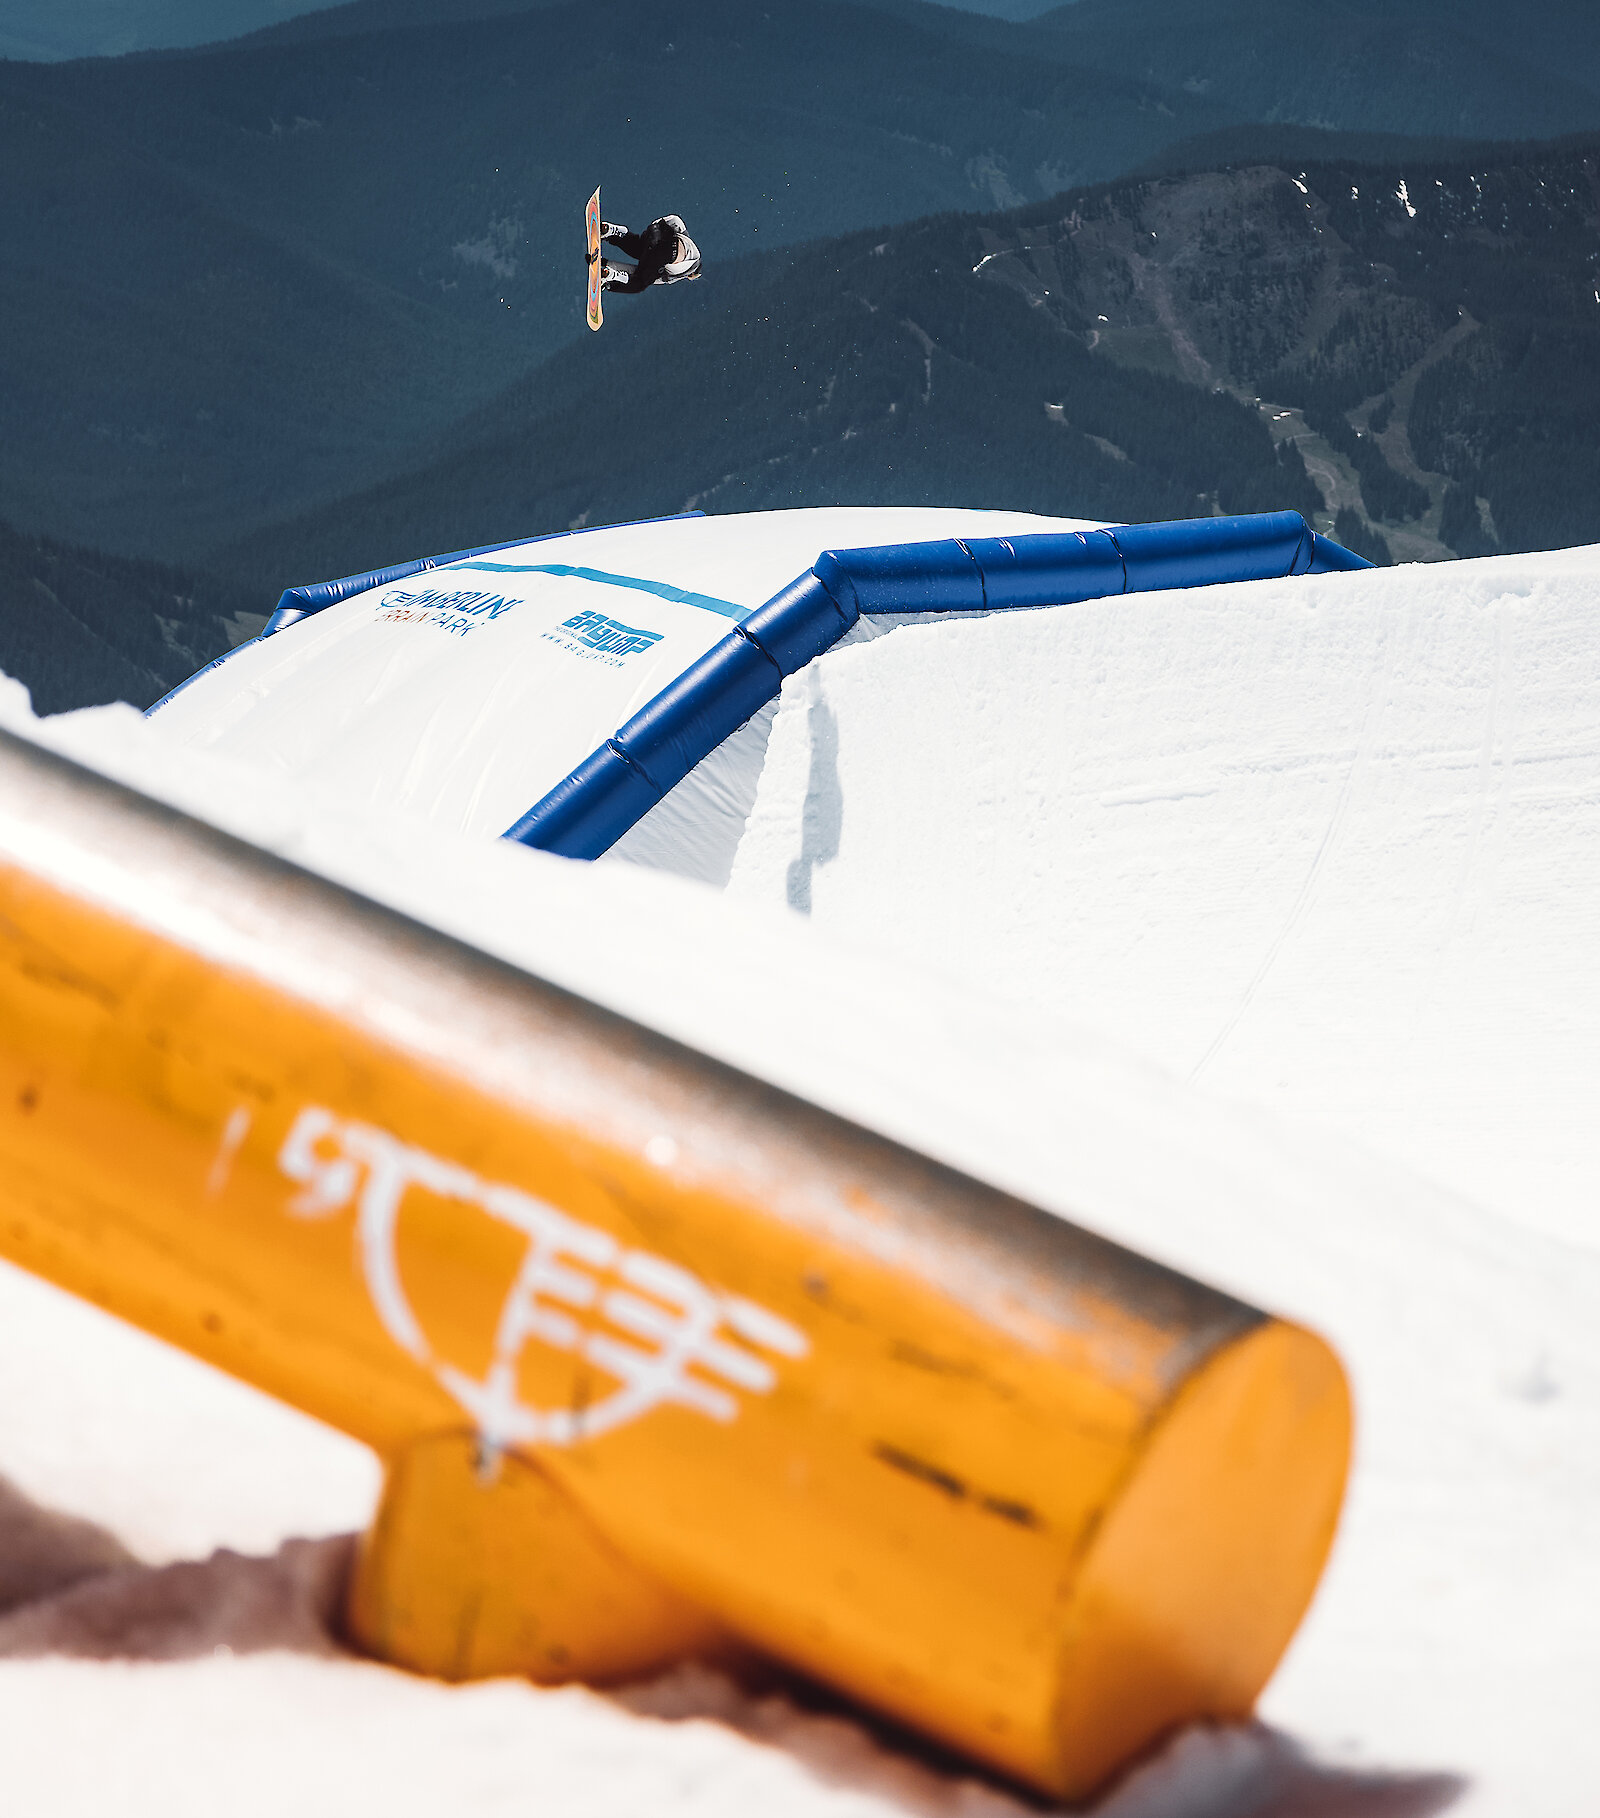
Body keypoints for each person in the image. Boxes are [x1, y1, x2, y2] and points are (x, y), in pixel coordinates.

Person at [596, 214, 702, 295]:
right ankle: (610, 276)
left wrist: (655, 227)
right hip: (668, 254)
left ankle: (612, 232)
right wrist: (608, 267)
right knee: (640, 283)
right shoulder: (685, 271)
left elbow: (676, 220)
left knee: (640, 250)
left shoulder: (687, 239)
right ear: (691, 275)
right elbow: (646, 276)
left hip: (659, 233)